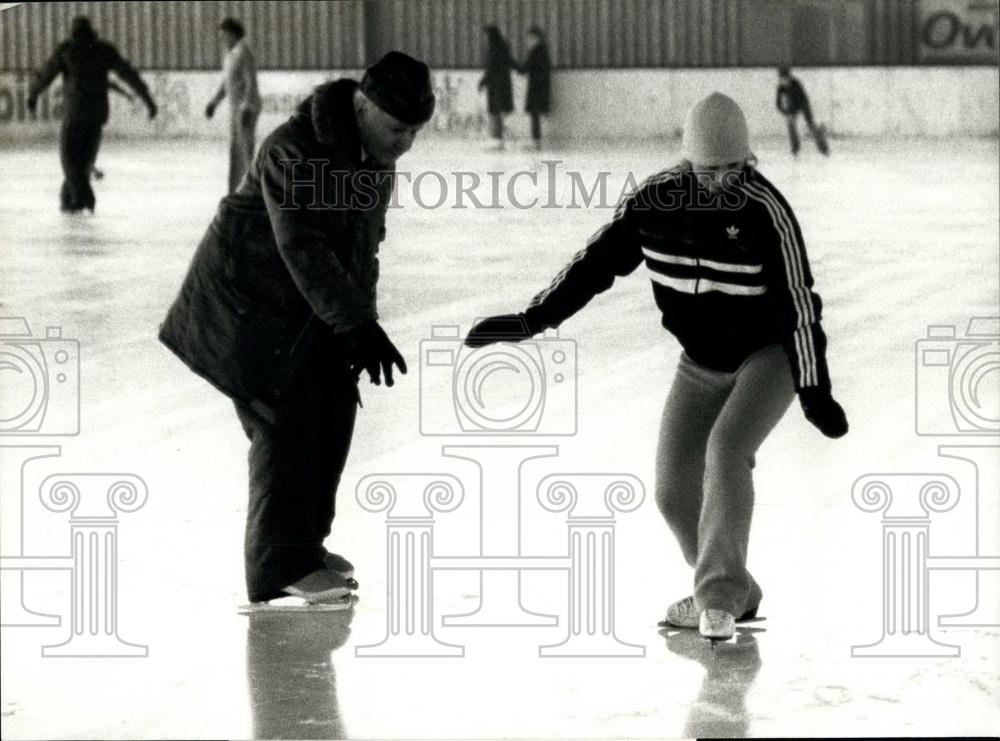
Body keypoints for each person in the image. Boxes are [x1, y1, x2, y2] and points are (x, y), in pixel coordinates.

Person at [464, 93, 848, 640]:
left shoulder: (766, 210)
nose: (723, 182)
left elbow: (799, 306)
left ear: (749, 161)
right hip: (699, 363)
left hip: (768, 357)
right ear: (688, 163)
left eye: (735, 168)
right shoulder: (654, 202)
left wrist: (813, 389)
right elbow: (594, 264)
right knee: (672, 490)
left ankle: (717, 599)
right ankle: (735, 588)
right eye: (710, 170)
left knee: (726, 450)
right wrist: (532, 320)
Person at [159, 52, 436, 606]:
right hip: (244, 302)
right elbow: (301, 245)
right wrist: (354, 322)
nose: (405, 143)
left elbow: (362, 248)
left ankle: (305, 546)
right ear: (363, 106)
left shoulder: (374, 159)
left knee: (335, 403)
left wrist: (361, 328)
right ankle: (278, 565)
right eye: (396, 129)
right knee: (284, 415)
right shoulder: (294, 150)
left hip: (301, 307)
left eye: (413, 132)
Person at [27, 16, 157, 213]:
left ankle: (84, 197)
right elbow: (128, 74)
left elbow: (46, 74)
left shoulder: (67, 50)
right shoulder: (104, 51)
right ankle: (69, 201)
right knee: (83, 162)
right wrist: (147, 99)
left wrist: (33, 94)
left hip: (74, 115)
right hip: (96, 117)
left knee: (69, 161)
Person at [205, 17, 262, 193]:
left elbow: (250, 80)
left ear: (232, 34)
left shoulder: (243, 51)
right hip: (236, 109)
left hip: (246, 109)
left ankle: (252, 191)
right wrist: (214, 102)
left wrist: (246, 106)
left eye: (224, 36)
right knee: (236, 150)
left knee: (245, 150)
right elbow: (226, 83)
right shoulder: (230, 54)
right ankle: (236, 190)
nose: (222, 40)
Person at [478, 25, 516, 150]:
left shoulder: (494, 50)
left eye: (486, 36)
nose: (484, 39)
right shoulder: (503, 48)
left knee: (495, 112)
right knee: (497, 112)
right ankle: (498, 140)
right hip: (501, 85)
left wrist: (482, 82)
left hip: (496, 86)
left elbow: (491, 69)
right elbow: (511, 62)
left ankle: (497, 140)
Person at [776, 66, 829, 156]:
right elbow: (778, 103)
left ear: (789, 78)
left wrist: (790, 112)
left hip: (803, 103)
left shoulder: (795, 84)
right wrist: (786, 113)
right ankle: (795, 148)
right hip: (792, 106)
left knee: (810, 125)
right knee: (790, 124)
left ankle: (823, 148)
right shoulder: (781, 87)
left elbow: (800, 100)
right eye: (781, 79)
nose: (783, 81)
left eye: (785, 79)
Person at [520, 25, 552, 150]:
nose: (527, 41)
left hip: (536, 87)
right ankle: (536, 141)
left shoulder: (535, 52)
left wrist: (512, 64)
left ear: (535, 38)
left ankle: (536, 141)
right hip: (541, 87)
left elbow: (525, 68)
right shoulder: (543, 51)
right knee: (535, 114)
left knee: (534, 114)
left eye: (529, 38)